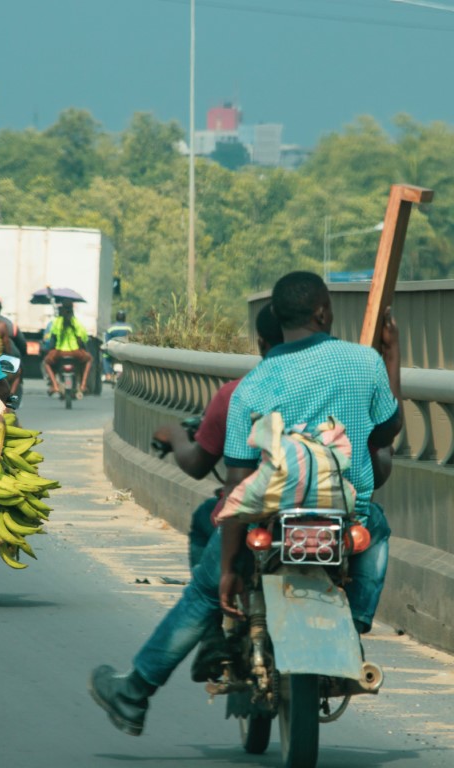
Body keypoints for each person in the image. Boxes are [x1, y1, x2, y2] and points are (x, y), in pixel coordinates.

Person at [89, 270, 402, 737]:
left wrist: (231, 566)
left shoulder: (250, 388)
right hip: (343, 516)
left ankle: (134, 693)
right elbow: (387, 431)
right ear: (323, 312)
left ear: (275, 319)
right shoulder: (362, 363)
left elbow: (237, 483)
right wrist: (391, 355)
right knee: (376, 529)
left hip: (270, 518)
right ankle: (353, 620)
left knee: (201, 593)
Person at [152, 303, 284, 570]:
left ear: (261, 342)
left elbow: (202, 466)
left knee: (200, 597)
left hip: (258, 515)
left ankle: (209, 601)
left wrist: (176, 435)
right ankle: (361, 615)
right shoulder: (341, 385)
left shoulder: (238, 394)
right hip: (328, 511)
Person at [43, 299, 93, 397]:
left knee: (46, 362)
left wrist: (50, 350)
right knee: (89, 359)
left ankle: (55, 386)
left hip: (59, 352)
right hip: (75, 352)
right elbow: (83, 340)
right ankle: (83, 385)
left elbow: (52, 340)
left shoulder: (57, 322)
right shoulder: (76, 322)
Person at [102, 310, 133, 382]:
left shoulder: (110, 328)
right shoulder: (129, 328)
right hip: (125, 350)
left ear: (116, 318)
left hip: (113, 350)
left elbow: (107, 341)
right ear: (124, 318)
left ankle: (108, 375)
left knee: (105, 357)